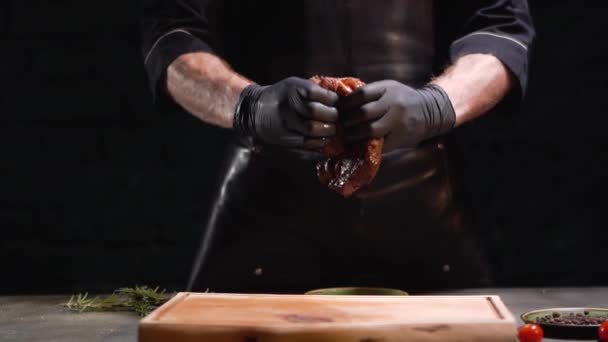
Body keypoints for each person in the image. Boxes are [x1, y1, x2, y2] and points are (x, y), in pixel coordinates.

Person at [140, 0, 535, 293]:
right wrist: (249, 105)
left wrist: (436, 106)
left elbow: (501, 27)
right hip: (266, 213)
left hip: (422, 213)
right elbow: (172, 33)